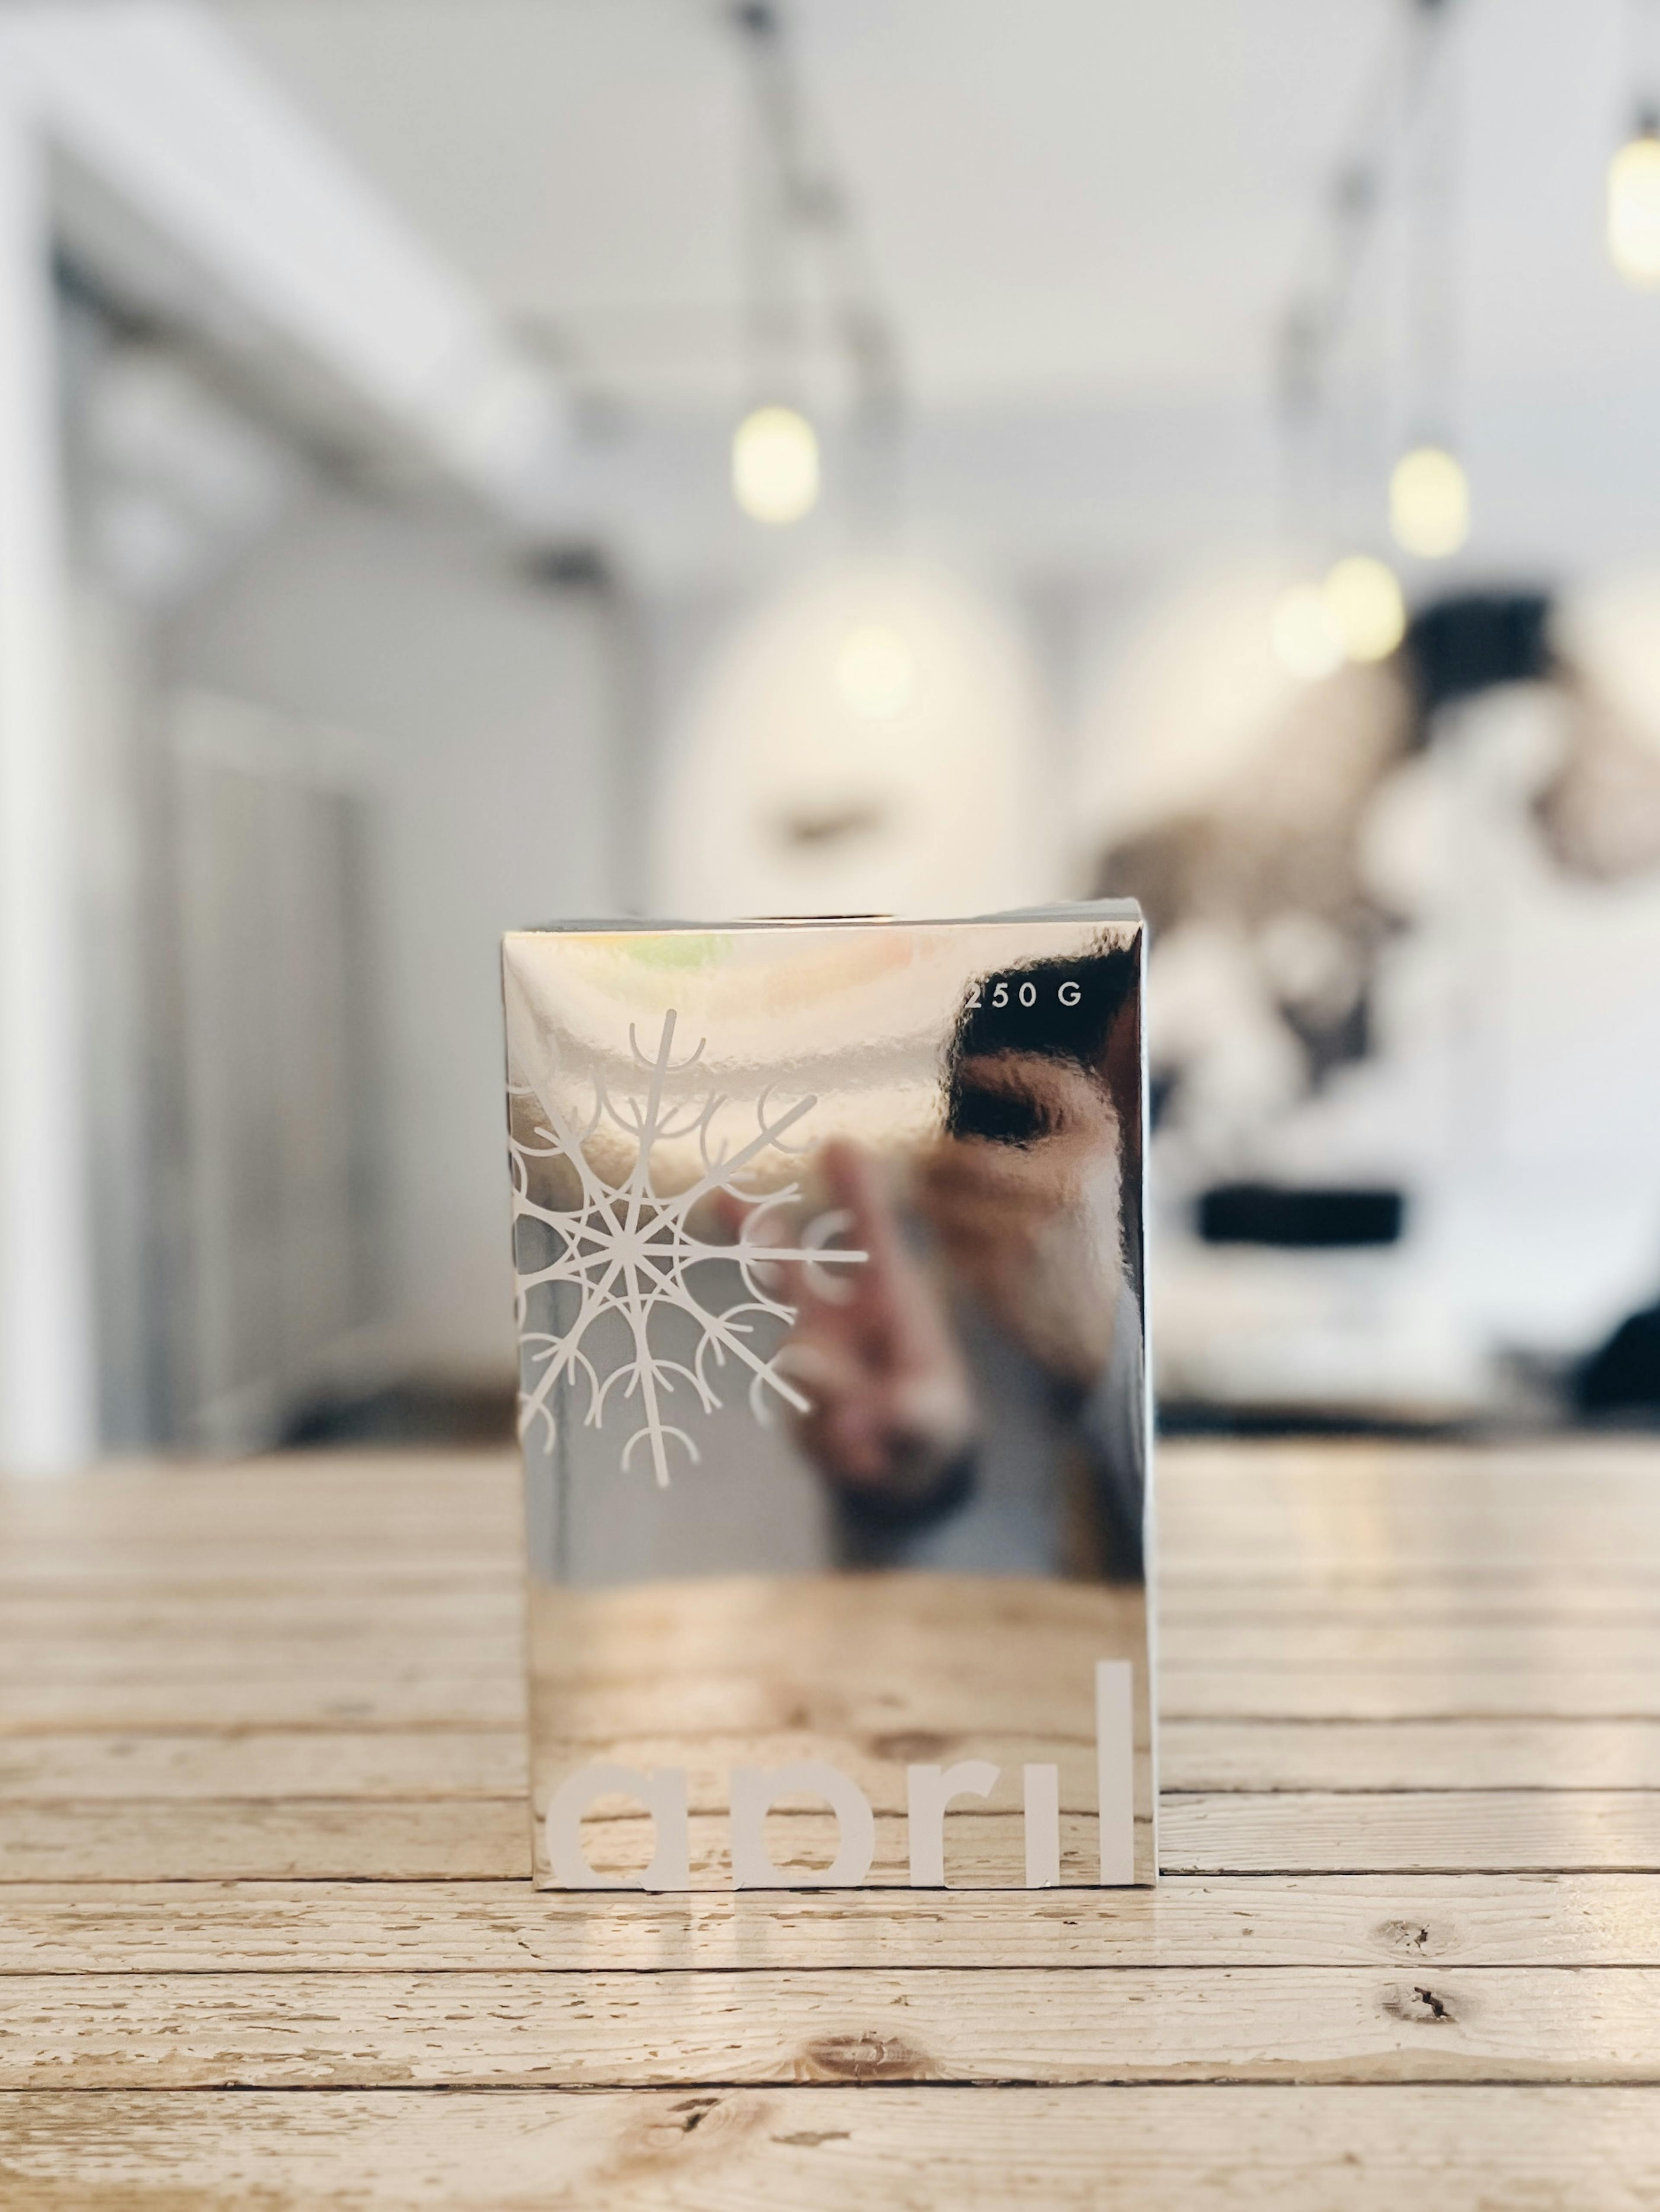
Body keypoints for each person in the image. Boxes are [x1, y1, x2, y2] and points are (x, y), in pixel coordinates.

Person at [776, 945, 1147, 1580]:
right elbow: (956, 1608)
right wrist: (912, 1487)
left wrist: (1108, 1355)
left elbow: (1253, 1575)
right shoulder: (1020, 1239)